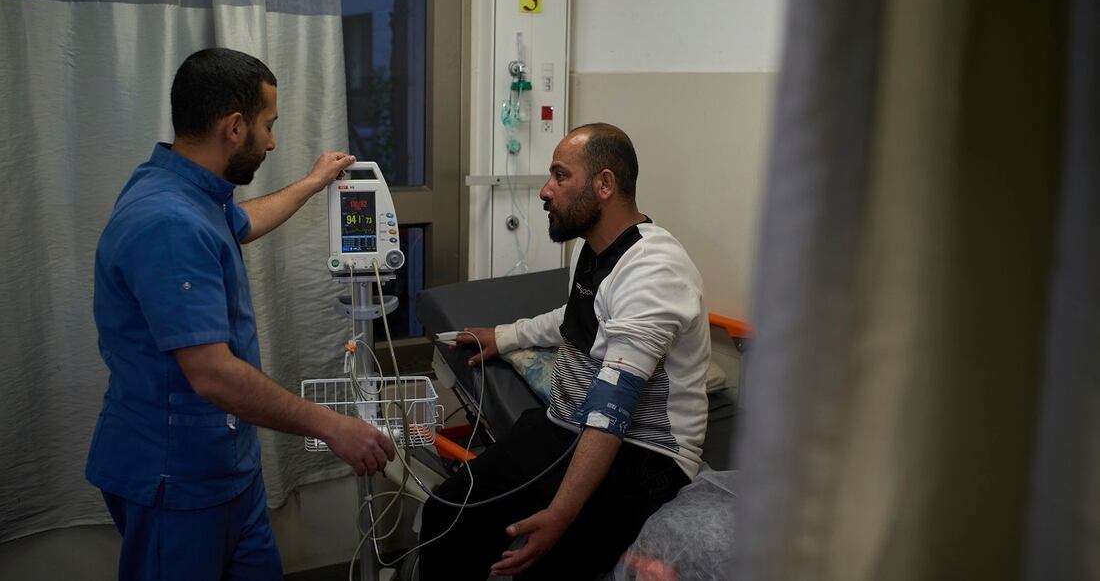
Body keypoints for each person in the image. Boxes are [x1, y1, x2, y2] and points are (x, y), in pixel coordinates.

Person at [85, 47, 395, 580]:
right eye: (268, 125)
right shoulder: (168, 221)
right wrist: (334, 428)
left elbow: (241, 222)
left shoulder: (184, 188)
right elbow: (212, 373)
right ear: (234, 126)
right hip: (177, 477)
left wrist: (313, 182)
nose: (272, 141)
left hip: (228, 465)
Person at [418, 123, 711, 580]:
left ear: (605, 185)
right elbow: (572, 316)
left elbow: (612, 407)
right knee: (446, 512)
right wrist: (506, 335)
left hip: (644, 453)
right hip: (565, 427)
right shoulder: (592, 250)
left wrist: (561, 513)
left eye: (560, 176)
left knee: (544, 564)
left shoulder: (656, 270)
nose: (544, 190)